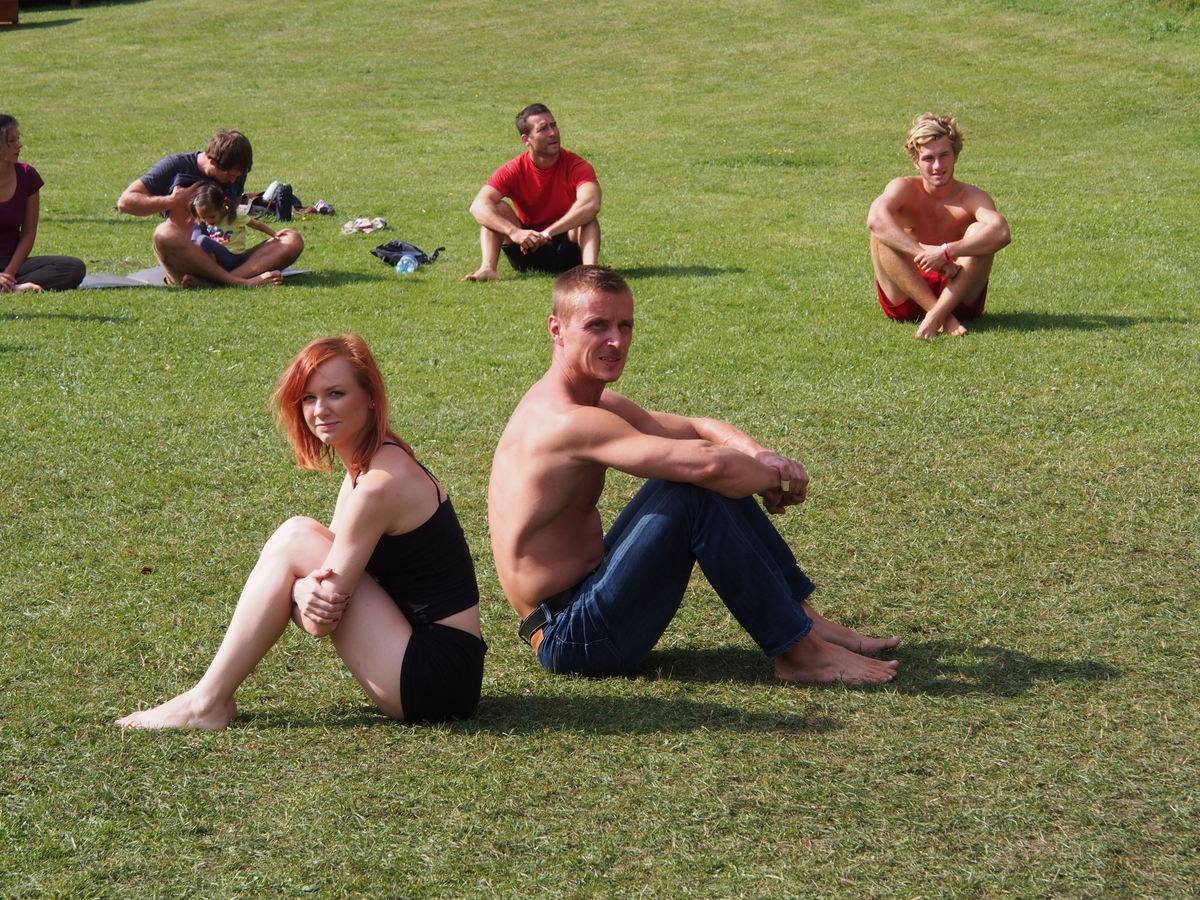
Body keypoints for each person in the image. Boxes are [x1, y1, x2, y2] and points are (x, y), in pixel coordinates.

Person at [488, 266, 900, 685]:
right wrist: (776, 480)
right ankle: (801, 654)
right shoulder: (565, 420)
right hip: (573, 636)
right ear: (556, 329)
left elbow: (699, 428)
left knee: (694, 479)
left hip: (582, 600)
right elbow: (710, 464)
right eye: (597, 326)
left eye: (625, 325)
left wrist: (763, 457)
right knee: (696, 491)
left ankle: (803, 622)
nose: (616, 341)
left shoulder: (592, 403)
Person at [117, 334, 486, 729]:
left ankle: (206, 703)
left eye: (336, 393)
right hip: (437, 666)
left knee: (296, 536)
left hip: (436, 679)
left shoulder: (379, 485)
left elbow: (319, 621)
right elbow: (324, 585)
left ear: (370, 397)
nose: (320, 410)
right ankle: (206, 701)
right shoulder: (371, 462)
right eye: (309, 398)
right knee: (298, 537)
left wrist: (295, 589)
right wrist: (299, 590)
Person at [867, 113, 1011, 339]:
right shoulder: (903, 188)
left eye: (944, 155)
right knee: (882, 235)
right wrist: (925, 254)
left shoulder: (973, 197)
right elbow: (875, 220)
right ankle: (944, 318)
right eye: (928, 158)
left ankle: (936, 315)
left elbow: (1001, 232)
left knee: (980, 232)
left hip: (959, 296)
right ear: (916, 161)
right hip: (906, 294)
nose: (937, 166)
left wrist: (945, 252)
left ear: (955, 156)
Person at [116, 130, 303, 288]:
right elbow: (125, 203)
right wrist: (172, 201)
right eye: (228, 175)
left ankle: (217, 282)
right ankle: (238, 282)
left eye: (238, 176)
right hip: (189, 261)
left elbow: (235, 218)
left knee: (291, 239)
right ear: (212, 161)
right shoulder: (176, 166)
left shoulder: (236, 177)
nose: (233, 180)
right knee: (163, 233)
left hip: (229, 257)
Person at [463, 104, 600, 281]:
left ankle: (590, 273)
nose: (553, 133)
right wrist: (515, 232)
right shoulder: (514, 169)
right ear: (526, 139)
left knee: (587, 219)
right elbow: (477, 206)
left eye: (553, 125)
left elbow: (591, 204)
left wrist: (547, 233)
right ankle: (487, 269)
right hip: (526, 248)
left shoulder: (577, 166)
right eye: (543, 129)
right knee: (496, 208)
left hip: (568, 250)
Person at [0, 114, 85, 293]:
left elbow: (28, 232)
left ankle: (9, 286)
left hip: (12, 262)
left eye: (18, 139)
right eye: (12, 141)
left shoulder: (27, 175)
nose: (19, 145)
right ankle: (12, 288)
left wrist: (9, 272)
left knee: (73, 267)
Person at [190, 180, 284, 273]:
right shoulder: (206, 221)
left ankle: (212, 271)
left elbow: (256, 224)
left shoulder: (235, 216)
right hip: (218, 255)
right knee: (198, 228)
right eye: (204, 217)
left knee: (202, 240)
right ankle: (197, 262)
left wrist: (274, 234)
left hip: (233, 258)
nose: (208, 221)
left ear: (222, 208)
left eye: (211, 217)